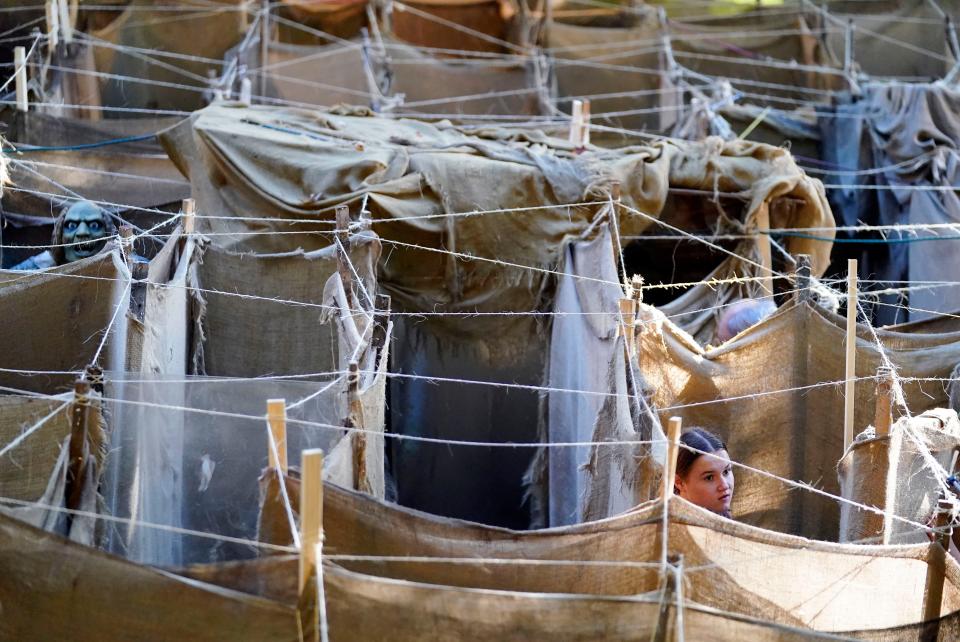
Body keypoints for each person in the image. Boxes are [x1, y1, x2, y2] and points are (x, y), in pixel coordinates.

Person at [10, 200, 115, 270]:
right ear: (60, 234)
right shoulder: (41, 264)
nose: (82, 232)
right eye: (72, 225)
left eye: (94, 225)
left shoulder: (118, 271)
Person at [674, 427, 735, 518]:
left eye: (726, 472)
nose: (724, 486)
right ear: (679, 482)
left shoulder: (717, 517)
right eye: (709, 477)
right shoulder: (666, 529)